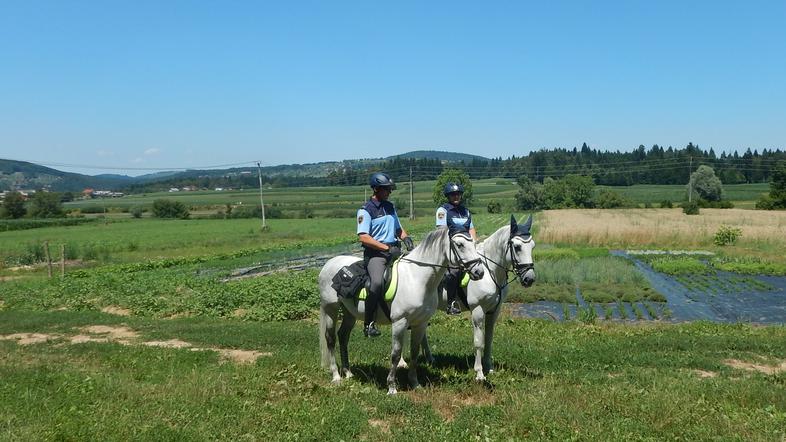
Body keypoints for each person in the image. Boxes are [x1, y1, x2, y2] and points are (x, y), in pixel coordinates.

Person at [357, 172, 414, 337]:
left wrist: (406, 238)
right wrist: (386, 248)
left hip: (394, 251)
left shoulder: (389, 207)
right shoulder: (365, 210)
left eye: (390, 189)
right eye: (386, 189)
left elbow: (398, 229)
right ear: (376, 189)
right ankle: (369, 323)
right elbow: (364, 237)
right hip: (376, 255)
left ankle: (410, 314)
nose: (389, 192)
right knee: (376, 283)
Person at [436, 182, 477, 315]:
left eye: (458, 194)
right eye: (453, 194)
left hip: (466, 248)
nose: (456, 196)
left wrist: (473, 243)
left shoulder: (465, 211)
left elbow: (471, 229)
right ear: (448, 196)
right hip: (451, 249)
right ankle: (451, 303)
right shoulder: (442, 211)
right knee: (453, 271)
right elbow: (442, 231)